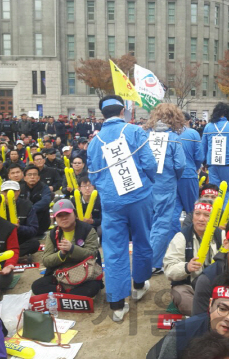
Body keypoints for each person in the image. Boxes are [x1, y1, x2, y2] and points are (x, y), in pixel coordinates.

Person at [87, 95, 157, 322]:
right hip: (139, 197)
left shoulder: (94, 142)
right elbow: (150, 164)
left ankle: (117, 304)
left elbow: (93, 176)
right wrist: (147, 182)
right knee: (142, 239)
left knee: (114, 249)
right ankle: (139, 284)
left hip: (111, 203)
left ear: (102, 114)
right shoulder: (135, 131)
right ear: (123, 110)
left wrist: (109, 191)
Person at [143, 104, 186, 275]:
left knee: (149, 223)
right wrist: (175, 176)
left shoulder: (146, 135)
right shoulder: (173, 138)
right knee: (162, 224)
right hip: (166, 185)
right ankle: (153, 263)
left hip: (147, 186)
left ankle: (146, 258)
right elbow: (180, 164)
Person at [31, 199, 103, 297]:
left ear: (75, 214)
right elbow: (46, 260)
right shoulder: (52, 234)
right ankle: (71, 294)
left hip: (84, 272)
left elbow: (92, 254)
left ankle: (62, 293)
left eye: (67, 214)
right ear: (55, 218)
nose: (64, 218)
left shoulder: (88, 229)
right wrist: (61, 254)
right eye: (60, 215)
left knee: (93, 287)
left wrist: (72, 249)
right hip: (60, 275)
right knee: (37, 286)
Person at [163, 199, 221, 316]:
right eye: (197, 213)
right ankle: (208, 317)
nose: (201, 219)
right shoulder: (182, 237)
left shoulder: (220, 235)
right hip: (188, 287)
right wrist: (186, 267)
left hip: (216, 286)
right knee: (181, 295)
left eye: (206, 215)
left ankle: (211, 315)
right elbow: (169, 269)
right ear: (192, 215)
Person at [201, 102, 229, 214]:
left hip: (212, 164)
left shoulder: (208, 127)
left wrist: (204, 162)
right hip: (228, 164)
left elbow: (203, 146)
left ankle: (216, 214)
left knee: (216, 190)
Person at [172, 112, 204, 239]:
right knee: (193, 210)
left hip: (172, 177)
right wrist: (195, 169)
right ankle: (191, 237)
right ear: (188, 120)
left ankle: (175, 239)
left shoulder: (169, 133)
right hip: (188, 174)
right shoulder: (193, 134)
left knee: (173, 212)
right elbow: (199, 156)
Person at [0, 180, 40, 258]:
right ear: (1, 193)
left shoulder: (27, 205)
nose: (9, 194)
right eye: (6, 191)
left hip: (19, 239)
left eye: (13, 191)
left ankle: (9, 257)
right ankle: (13, 256)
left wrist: (19, 227)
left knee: (34, 243)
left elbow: (33, 229)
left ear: (18, 192)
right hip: (0, 240)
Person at [20, 165, 52, 235]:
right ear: (25, 178)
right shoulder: (20, 188)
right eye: (29, 175)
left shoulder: (44, 187)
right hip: (23, 221)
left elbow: (46, 200)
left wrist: (31, 209)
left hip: (40, 220)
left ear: (38, 177)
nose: (32, 177)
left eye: (35, 174)